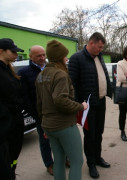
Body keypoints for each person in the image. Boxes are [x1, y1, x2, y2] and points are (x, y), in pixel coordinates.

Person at [35, 40, 87, 180]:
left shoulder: (41, 75)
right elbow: (60, 100)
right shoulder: (60, 75)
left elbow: (39, 104)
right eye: (65, 56)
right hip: (64, 125)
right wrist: (80, 106)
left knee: (58, 160)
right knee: (77, 161)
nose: (66, 59)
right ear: (59, 57)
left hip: (49, 125)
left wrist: (44, 126)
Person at [68, 32, 112, 179]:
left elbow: (103, 76)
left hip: (100, 101)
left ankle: (98, 157)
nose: (101, 50)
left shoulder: (98, 56)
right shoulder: (77, 58)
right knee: (90, 135)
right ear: (91, 43)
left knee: (99, 132)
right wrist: (77, 103)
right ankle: (91, 164)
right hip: (87, 105)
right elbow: (71, 83)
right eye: (99, 47)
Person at [17, 45, 55, 175]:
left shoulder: (51, 68)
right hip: (40, 114)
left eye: (44, 55)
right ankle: (50, 165)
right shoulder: (23, 73)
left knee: (61, 139)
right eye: (39, 56)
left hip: (56, 113)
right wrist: (35, 114)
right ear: (31, 56)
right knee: (45, 141)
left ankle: (64, 159)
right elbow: (25, 97)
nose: (42, 58)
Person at [0, 38, 24, 180]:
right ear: (1, 51)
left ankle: (12, 171)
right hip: (5, 125)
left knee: (14, 154)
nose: (16, 55)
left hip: (15, 122)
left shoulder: (9, 69)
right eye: (13, 52)